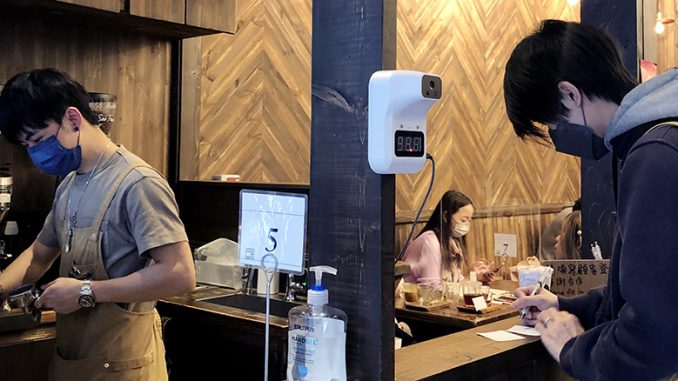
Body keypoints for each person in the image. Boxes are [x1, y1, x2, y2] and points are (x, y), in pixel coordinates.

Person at [504, 19, 678, 380]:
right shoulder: (657, 135)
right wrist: (567, 306)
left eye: (549, 123)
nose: (555, 137)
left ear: (569, 94)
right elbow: (660, 292)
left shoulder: (655, 153)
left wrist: (572, 348)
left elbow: (651, 340)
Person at [0, 68, 195, 381]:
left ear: (73, 120)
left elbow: (180, 275)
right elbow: (40, 253)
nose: (36, 154)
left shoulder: (138, 183)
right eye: (28, 146)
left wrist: (87, 291)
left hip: (124, 366)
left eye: (38, 140)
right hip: (75, 362)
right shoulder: (68, 185)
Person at [402, 190, 495, 285]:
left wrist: (475, 277)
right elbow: (432, 289)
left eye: (469, 220)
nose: (466, 225)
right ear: (446, 216)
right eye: (463, 220)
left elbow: (454, 282)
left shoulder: (453, 241)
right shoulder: (430, 242)